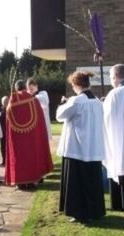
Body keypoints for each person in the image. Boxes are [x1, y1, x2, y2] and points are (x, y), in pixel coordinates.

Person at [56, 71, 105, 222]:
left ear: (77, 84)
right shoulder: (97, 102)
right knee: (92, 181)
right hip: (93, 147)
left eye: (72, 85)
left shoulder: (77, 101)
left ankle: (79, 212)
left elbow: (59, 116)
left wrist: (65, 103)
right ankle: (94, 211)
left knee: (77, 182)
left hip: (77, 149)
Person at [5, 80, 53, 190]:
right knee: (32, 156)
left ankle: (20, 182)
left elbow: (8, 121)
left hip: (17, 138)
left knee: (19, 158)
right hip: (31, 137)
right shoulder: (33, 100)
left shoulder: (11, 102)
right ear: (25, 87)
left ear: (17, 88)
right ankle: (32, 181)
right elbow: (40, 120)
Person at [103, 64, 124, 210]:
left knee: (119, 165)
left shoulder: (114, 94)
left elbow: (106, 119)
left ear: (115, 77)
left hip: (118, 138)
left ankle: (118, 203)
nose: (111, 80)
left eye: (111, 78)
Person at [0, 96, 9, 166]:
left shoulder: (12, 109)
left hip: (10, 132)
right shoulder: (0, 111)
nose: (6, 103)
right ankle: (4, 161)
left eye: (7, 101)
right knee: (3, 147)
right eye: (4, 102)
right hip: (2, 132)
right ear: (2, 103)